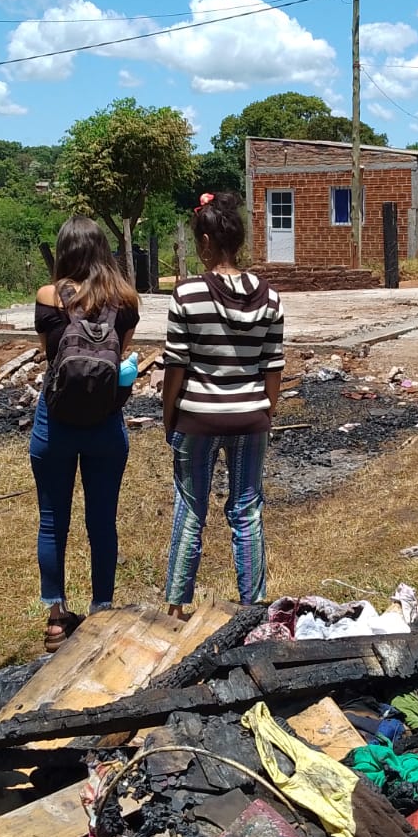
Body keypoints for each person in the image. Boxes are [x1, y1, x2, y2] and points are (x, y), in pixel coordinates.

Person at [161, 192, 285, 618]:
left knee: (191, 508)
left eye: (199, 240)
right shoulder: (269, 296)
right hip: (251, 418)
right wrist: (265, 409)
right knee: (247, 509)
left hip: (197, 416)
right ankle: (252, 608)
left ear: (209, 240)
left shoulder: (188, 293)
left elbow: (176, 364)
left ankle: (177, 605)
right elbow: (273, 364)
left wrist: (169, 416)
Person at [31, 215, 139, 650]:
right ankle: (102, 609)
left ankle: (57, 619)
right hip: (105, 423)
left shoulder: (47, 296)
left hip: (54, 422)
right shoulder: (126, 300)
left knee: (53, 519)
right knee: (102, 522)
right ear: (103, 251)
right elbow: (120, 356)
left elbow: (49, 357)